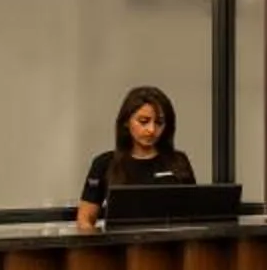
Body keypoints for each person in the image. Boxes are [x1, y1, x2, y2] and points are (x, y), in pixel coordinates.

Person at [76, 84, 197, 229]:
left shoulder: (178, 161)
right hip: (121, 246)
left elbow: (194, 214)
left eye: (159, 123)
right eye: (144, 121)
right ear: (126, 121)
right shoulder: (104, 163)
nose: (151, 130)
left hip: (171, 246)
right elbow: (85, 220)